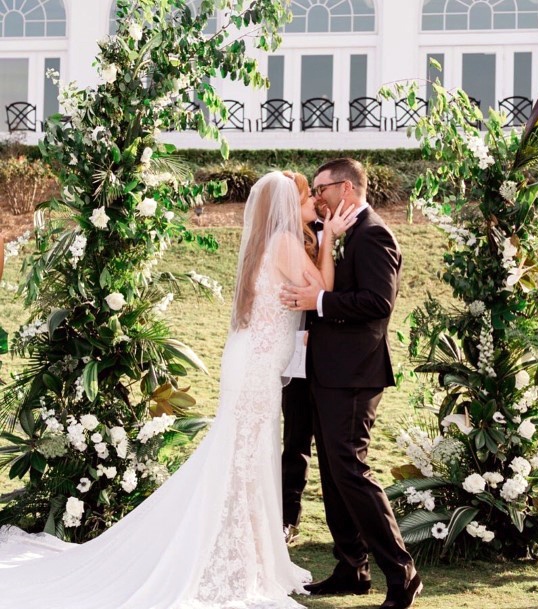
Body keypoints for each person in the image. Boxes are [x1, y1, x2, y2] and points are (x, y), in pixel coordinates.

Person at [0, 171, 355, 609]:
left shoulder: (277, 240)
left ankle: (253, 555)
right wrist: (328, 240)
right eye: (306, 197)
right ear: (289, 204)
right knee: (242, 456)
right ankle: (235, 558)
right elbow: (323, 290)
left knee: (247, 455)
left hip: (254, 362)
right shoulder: (284, 240)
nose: (312, 205)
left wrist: (318, 236)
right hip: (255, 367)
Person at [280, 158, 423, 609]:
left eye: (320, 188)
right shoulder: (343, 231)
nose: (316, 196)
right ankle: (351, 568)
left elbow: (378, 302)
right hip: (328, 372)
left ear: (345, 188)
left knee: (353, 472)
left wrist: (319, 301)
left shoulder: (375, 233)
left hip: (355, 375)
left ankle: (402, 574)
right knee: (335, 472)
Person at [280, 172, 318, 545]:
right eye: (312, 194)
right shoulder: (287, 241)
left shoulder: (319, 232)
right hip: (295, 348)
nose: (317, 199)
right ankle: (287, 517)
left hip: (333, 351)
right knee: (295, 438)